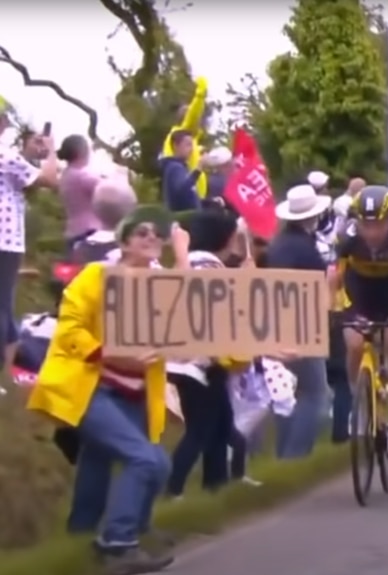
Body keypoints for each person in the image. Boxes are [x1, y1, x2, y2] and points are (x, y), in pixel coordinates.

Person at [27, 205, 187, 573]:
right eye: (142, 232)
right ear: (125, 240)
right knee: (143, 459)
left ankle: (99, 530)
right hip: (91, 385)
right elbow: (68, 328)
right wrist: (107, 355)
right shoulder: (98, 275)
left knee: (145, 462)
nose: (151, 238)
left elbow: (193, 314)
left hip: (134, 391)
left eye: (157, 234)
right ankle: (116, 543)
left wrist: (181, 254)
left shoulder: (160, 284)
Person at [166, 206, 255, 497]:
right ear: (225, 238)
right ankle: (173, 490)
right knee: (200, 431)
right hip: (197, 364)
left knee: (220, 426)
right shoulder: (208, 267)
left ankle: (215, 487)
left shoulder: (197, 261)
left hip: (198, 363)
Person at [328, 185, 388, 451]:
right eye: (367, 224)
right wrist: (331, 308)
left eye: (378, 224)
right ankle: (361, 403)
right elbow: (333, 277)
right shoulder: (346, 238)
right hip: (360, 295)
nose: (372, 232)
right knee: (354, 344)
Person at [263, 185, 332, 458]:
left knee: (287, 394)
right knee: (315, 395)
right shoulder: (305, 249)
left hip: (274, 323)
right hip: (302, 324)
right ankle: (294, 455)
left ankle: (283, 454)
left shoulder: (278, 245)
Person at [0, 95, 59, 376]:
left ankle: (7, 372)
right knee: (2, 307)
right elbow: (49, 180)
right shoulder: (4, 154)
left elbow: (24, 185)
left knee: (6, 306)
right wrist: (50, 151)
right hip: (5, 240)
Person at [161, 77, 209, 198]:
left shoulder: (177, 138)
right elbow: (193, 115)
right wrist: (200, 94)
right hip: (190, 197)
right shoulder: (183, 132)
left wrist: (198, 150)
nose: (199, 121)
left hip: (194, 197)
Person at [57, 135, 100, 252]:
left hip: (72, 232)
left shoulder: (65, 175)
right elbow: (111, 192)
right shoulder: (82, 176)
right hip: (90, 232)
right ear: (82, 152)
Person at [160, 130, 202, 212]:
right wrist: (198, 170)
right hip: (183, 219)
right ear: (176, 146)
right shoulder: (175, 167)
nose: (191, 149)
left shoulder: (183, 168)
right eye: (188, 145)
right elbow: (183, 191)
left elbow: (190, 197)